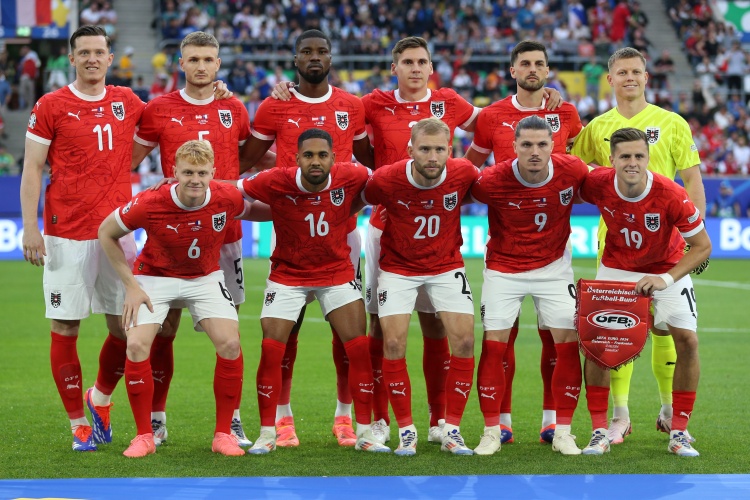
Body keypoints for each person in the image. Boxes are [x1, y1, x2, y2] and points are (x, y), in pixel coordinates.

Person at [239, 29, 374, 448]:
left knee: (347, 337)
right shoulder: (274, 105)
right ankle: (282, 419)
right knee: (287, 334)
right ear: (295, 58)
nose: (314, 57)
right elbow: (242, 160)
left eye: (322, 51)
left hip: (343, 237)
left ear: (331, 57)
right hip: (291, 235)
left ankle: (344, 417)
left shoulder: (352, 105)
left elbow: (372, 162)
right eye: (306, 52)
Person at [570, 47, 707, 446]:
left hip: (667, 244)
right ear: (610, 79)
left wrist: (692, 233)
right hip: (615, 244)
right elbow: (572, 170)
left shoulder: (672, 122)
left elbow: (692, 179)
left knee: (667, 329)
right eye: (622, 72)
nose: (629, 77)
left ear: (646, 77)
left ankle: (669, 412)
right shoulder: (598, 127)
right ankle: (619, 416)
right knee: (616, 332)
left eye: (636, 71)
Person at [20, 25, 145, 452]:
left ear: (110, 58)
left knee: (127, 329)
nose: (92, 58)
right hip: (66, 233)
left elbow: (168, 121)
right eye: (84, 52)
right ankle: (78, 424)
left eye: (99, 52)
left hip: (117, 232)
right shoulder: (50, 105)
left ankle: (100, 398)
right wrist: (31, 227)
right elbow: (32, 168)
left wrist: (217, 91)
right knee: (65, 325)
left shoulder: (128, 101)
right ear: (71, 59)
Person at [130, 31, 253, 448]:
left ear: (218, 64)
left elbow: (248, 157)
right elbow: (129, 160)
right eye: (194, 59)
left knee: (230, 329)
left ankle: (232, 421)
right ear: (180, 63)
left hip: (225, 235)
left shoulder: (234, 107)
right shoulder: (159, 108)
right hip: (172, 235)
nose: (201, 66)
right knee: (164, 328)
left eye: (208, 59)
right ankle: (157, 418)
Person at [237, 129, 388, 455]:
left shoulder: (353, 175)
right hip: (288, 275)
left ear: (334, 158)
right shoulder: (275, 180)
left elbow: (379, 184)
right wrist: (177, 186)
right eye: (308, 155)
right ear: (296, 159)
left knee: (357, 347)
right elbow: (230, 191)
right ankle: (267, 433)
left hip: (336, 273)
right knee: (272, 349)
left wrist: (353, 206)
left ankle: (363, 432)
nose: (315, 161)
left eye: (322, 155)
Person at [464, 40, 583, 446]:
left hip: (554, 250)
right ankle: (501, 423)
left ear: (548, 70)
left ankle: (554, 422)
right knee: (503, 338)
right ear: (512, 70)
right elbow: (468, 170)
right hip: (505, 247)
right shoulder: (491, 116)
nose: (533, 69)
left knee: (555, 337)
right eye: (525, 63)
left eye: (539, 63)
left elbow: (580, 170)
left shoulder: (566, 113)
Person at [97, 140, 248, 458]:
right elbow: (106, 232)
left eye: (202, 173)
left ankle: (223, 435)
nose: (195, 179)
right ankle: (144, 436)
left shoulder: (228, 197)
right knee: (136, 345)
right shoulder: (150, 201)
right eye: (188, 172)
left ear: (213, 173)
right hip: (155, 277)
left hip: (205, 277)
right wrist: (131, 286)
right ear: (175, 172)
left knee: (230, 343)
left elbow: (261, 209)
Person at [362, 118, 478, 456]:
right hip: (398, 268)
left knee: (465, 341)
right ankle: (406, 430)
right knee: (392, 342)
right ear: (410, 149)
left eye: (439, 149)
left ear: (450, 150)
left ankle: (451, 429)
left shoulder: (464, 172)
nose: (432, 156)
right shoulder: (387, 178)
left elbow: (493, 191)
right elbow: (358, 199)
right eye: (425, 149)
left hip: (445, 266)